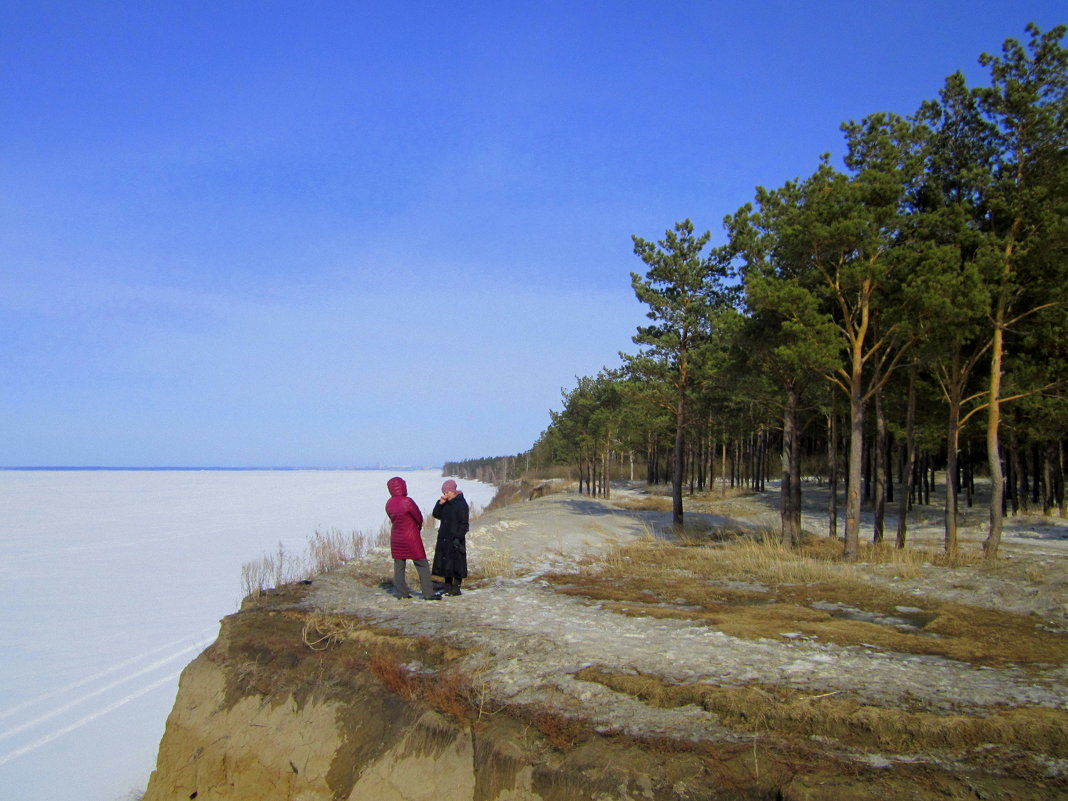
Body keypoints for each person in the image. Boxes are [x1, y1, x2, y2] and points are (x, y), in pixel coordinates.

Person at [385, 476, 439, 600]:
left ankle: (401, 593)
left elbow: (392, 518)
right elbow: (418, 517)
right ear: (402, 487)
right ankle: (428, 593)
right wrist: (417, 527)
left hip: (396, 536)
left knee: (399, 565)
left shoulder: (389, 503)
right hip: (411, 536)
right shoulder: (407, 501)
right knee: (422, 564)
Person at [432, 479, 469, 596]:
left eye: (447, 492)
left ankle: (456, 587)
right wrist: (440, 503)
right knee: (446, 562)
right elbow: (436, 514)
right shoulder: (446, 503)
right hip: (444, 537)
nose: (445, 494)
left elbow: (464, 524)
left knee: (457, 563)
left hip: (455, 538)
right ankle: (447, 586)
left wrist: (458, 537)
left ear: (453, 491)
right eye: (444, 492)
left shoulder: (461, 504)